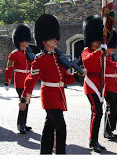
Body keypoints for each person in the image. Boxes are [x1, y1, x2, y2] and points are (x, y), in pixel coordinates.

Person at [20, 14, 85, 154]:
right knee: (60, 127)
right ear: (44, 40)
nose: (56, 40)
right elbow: (30, 80)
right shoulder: (40, 59)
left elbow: (64, 79)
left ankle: (45, 153)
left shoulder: (58, 58)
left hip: (59, 97)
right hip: (49, 97)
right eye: (52, 38)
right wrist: (24, 99)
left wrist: (76, 76)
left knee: (49, 127)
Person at [81, 15, 117, 152]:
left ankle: (95, 139)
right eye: (94, 40)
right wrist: (100, 50)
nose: (96, 42)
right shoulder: (86, 51)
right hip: (91, 86)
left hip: (101, 86)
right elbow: (88, 61)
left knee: (99, 112)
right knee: (98, 112)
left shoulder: (101, 53)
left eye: (98, 40)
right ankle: (93, 141)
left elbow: (110, 63)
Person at [5, 24, 36, 134]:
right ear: (20, 40)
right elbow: (9, 68)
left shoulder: (28, 53)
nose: (27, 42)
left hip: (28, 81)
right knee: (23, 102)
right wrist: (7, 82)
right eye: (25, 40)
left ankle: (24, 123)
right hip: (19, 82)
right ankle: (20, 124)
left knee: (27, 102)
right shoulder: (14, 54)